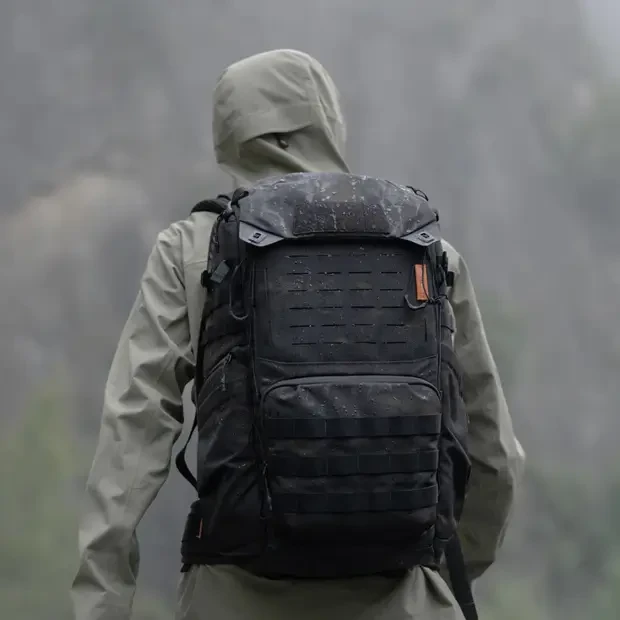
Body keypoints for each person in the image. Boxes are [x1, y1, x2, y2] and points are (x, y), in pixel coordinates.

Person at [71, 49, 525, 620]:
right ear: (328, 122)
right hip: (404, 598)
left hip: (232, 599)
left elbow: (131, 436)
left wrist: (102, 604)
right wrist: (443, 574)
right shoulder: (426, 249)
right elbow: (496, 454)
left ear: (229, 131)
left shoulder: (194, 248)